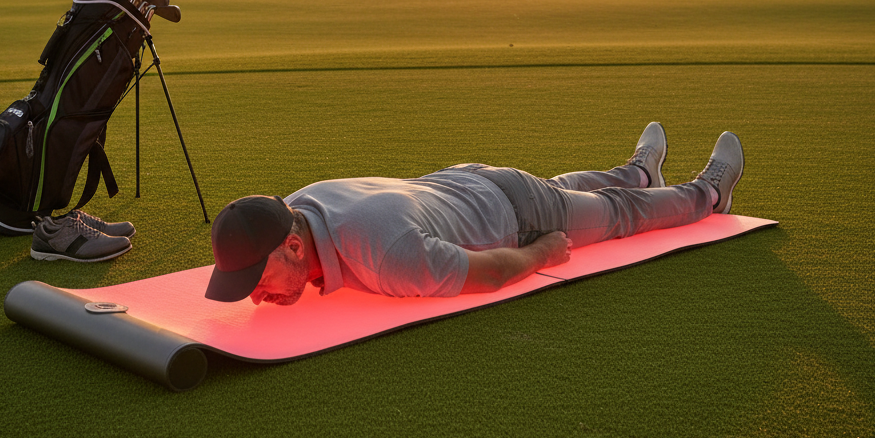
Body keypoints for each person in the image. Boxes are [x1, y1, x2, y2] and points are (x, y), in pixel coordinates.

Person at [204, 124, 744, 305]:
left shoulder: (389, 257)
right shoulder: (298, 204)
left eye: (258, 280)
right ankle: (639, 172)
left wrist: (543, 252)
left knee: (616, 214)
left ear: (294, 246)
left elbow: (488, 274)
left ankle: (707, 194)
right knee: (566, 190)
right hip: (467, 182)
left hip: (517, 216)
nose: (257, 296)